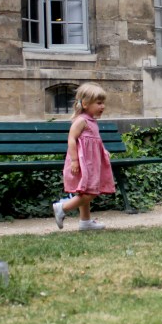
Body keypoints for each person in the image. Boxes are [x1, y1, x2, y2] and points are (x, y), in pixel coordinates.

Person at [52, 83, 115, 231]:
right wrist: (74, 161)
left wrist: (103, 151)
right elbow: (71, 139)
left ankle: (85, 222)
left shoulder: (92, 121)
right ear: (85, 104)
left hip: (92, 162)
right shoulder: (82, 121)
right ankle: (63, 207)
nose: (103, 106)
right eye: (99, 103)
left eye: (103, 103)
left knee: (85, 190)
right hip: (82, 163)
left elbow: (95, 140)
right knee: (91, 191)